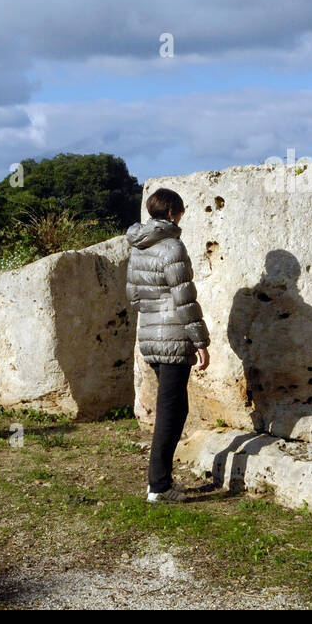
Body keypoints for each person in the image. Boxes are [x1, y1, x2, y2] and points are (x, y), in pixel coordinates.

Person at [125, 187, 210, 503]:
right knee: (171, 411)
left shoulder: (138, 248)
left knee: (175, 407)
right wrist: (200, 341)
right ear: (173, 213)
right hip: (174, 336)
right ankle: (158, 486)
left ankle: (160, 482)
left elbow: (133, 296)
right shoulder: (173, 247)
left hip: (148, 334)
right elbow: (184, 297)